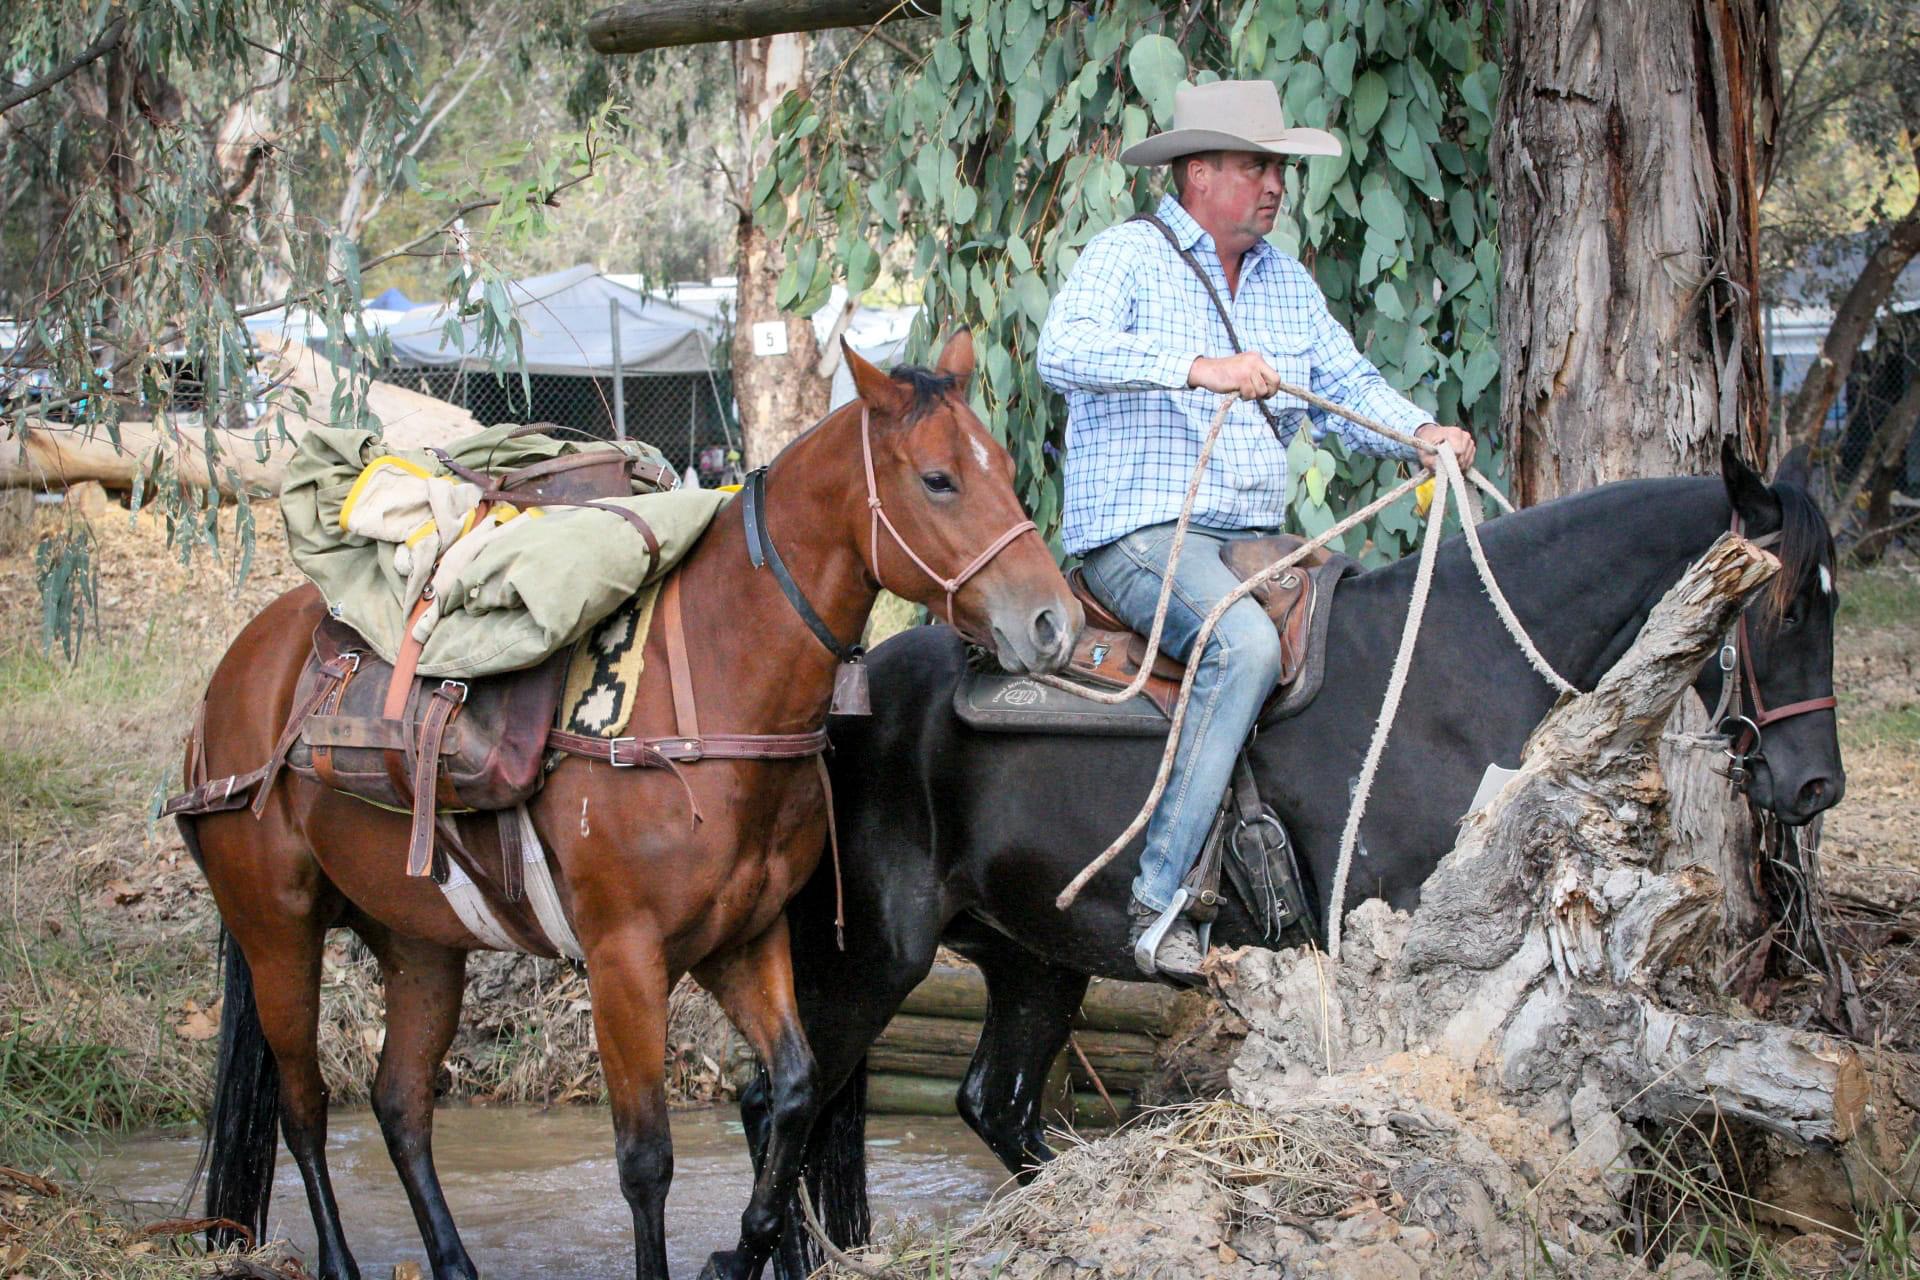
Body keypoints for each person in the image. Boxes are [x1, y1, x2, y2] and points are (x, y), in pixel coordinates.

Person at [1037, 78, 1475, 982]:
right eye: (1255, 166)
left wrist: (1421, 433)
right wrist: (1197, 366)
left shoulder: (1285, 280)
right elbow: (1062, 350)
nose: (1275, 184)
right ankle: (1160, 899)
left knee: (1354, 635)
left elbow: (1347, 385)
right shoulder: (1128, 255)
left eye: (1280, 168)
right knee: (1242, 646)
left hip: (1254, 544)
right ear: (1198, 172)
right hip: (1139, 538)